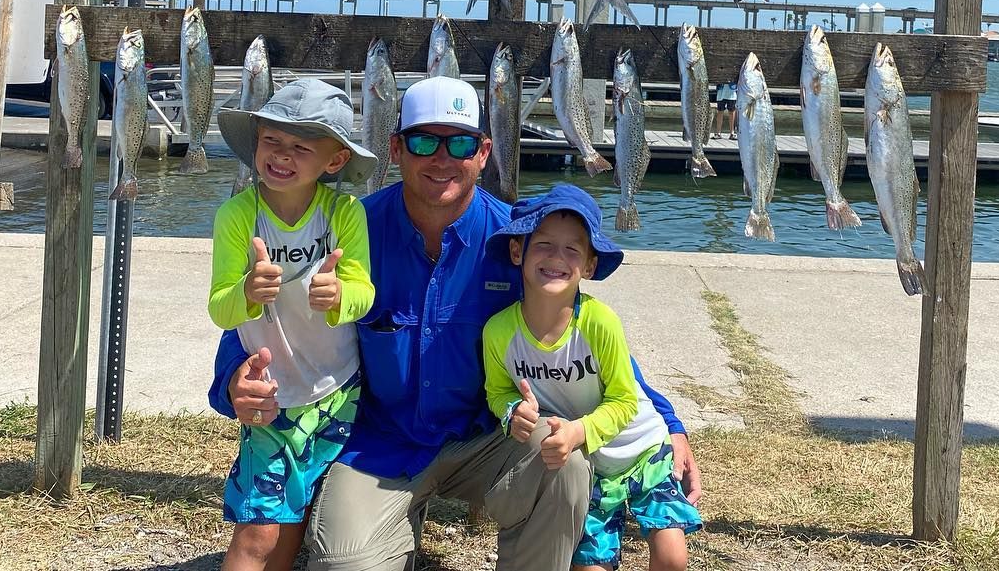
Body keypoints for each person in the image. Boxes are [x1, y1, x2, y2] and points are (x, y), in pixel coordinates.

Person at [210, 75, 703, 571]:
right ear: (396, 149)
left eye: (460, 144)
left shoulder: (517, 241)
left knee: (565, 466)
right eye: (424, 142)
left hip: (491, 434)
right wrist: (235, 378)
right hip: (381, 442)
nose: (442, 158)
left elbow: (585, 333)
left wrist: (669, 423)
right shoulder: (352, 226)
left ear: (483, 152)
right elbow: (273, 313)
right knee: (345, 565)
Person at [483, 185, 701, 571]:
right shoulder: (498, 332)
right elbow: (497, 392)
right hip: (588, 464)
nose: (557, 258)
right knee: (589, 566)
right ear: (517, 251)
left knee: (672, 556)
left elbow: (625, 400)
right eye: (544, 244)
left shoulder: (600, 323)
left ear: (589, 265)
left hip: (642, 448)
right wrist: (512, 411)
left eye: (573, 249)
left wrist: (578, 431)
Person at [208, 79, 378, 571]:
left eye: (301, 147)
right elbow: (220, 309)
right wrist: (246, 292)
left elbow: (364, 292)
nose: (282, 155)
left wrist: (340, 296)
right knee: (258, 528)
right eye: (272, 140)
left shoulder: (344, 213)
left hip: (339, 391)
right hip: (273, 394)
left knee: (294, 515)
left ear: (335, 160)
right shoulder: (238, 216)